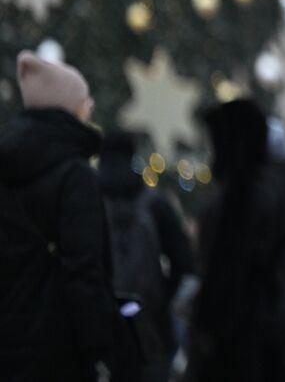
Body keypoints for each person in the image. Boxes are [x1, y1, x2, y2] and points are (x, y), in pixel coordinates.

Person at [0, 51, 116, 382]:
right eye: (84, 100)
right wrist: (100, 348)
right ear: (69, 108)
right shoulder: (74, 174)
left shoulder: (7, 164)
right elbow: (84, 268)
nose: (90, 106)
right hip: (60, 347)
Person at [184, 98, 285, 382]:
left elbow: (225, 278)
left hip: (239, 350)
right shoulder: (272, 194)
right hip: (262, 347)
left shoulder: (239, 202)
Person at [97, 130, 194, 382]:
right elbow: (184, 261)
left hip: (102, 325)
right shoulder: (154, 203)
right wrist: (162, 295)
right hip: (152, 325)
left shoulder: (87, 202)